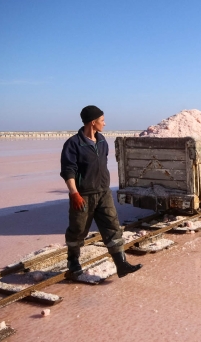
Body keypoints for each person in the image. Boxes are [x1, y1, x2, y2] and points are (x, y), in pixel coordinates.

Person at [60, 105, 142, 278]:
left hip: (103, 193)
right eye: (102, 120)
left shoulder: (103, 140)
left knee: (112, 226)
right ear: (93, 122)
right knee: (78, 229)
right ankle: (73, 262)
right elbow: (68, 171)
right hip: (83, 195)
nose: (105, 123)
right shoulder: (73, 144)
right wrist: (74, 193)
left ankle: (121, 264)